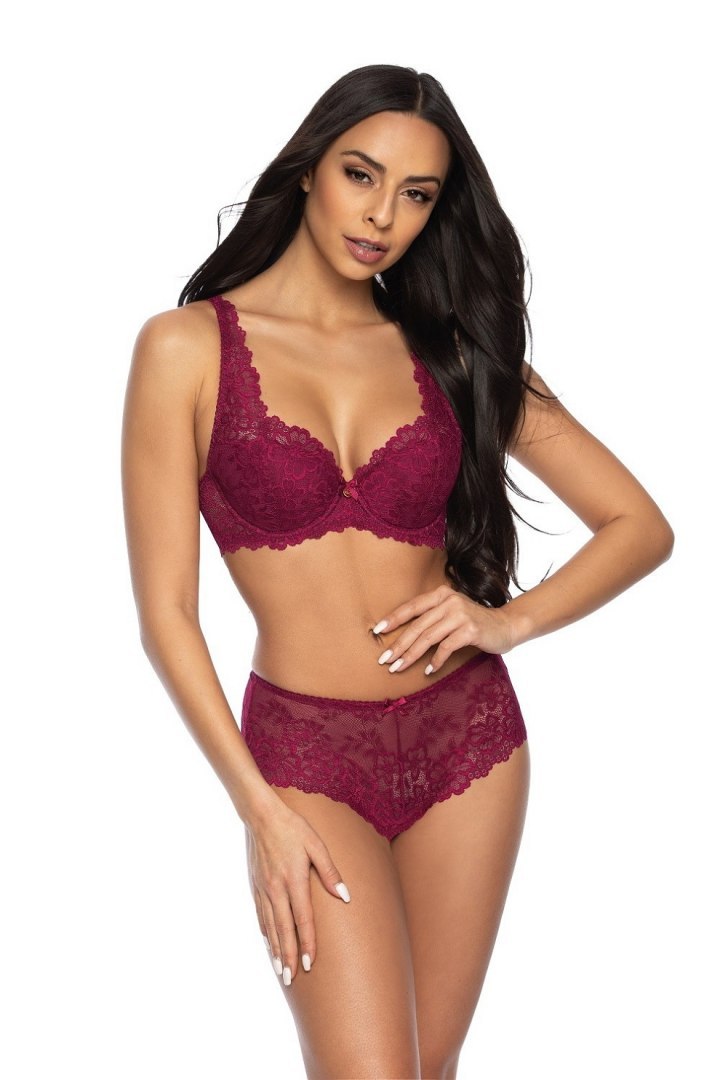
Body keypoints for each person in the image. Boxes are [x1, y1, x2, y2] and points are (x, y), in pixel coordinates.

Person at [121, 64, 674, 1079]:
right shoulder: (185, 349)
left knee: (429, 1068)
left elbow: (638, 524)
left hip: (470, 746)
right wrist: (260, 810)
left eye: (417, 194)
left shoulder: (450, 351)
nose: (382, 215)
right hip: (305, 761)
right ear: (308, 169)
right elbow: (167, 615)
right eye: (361, 175)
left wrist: (506, 622)